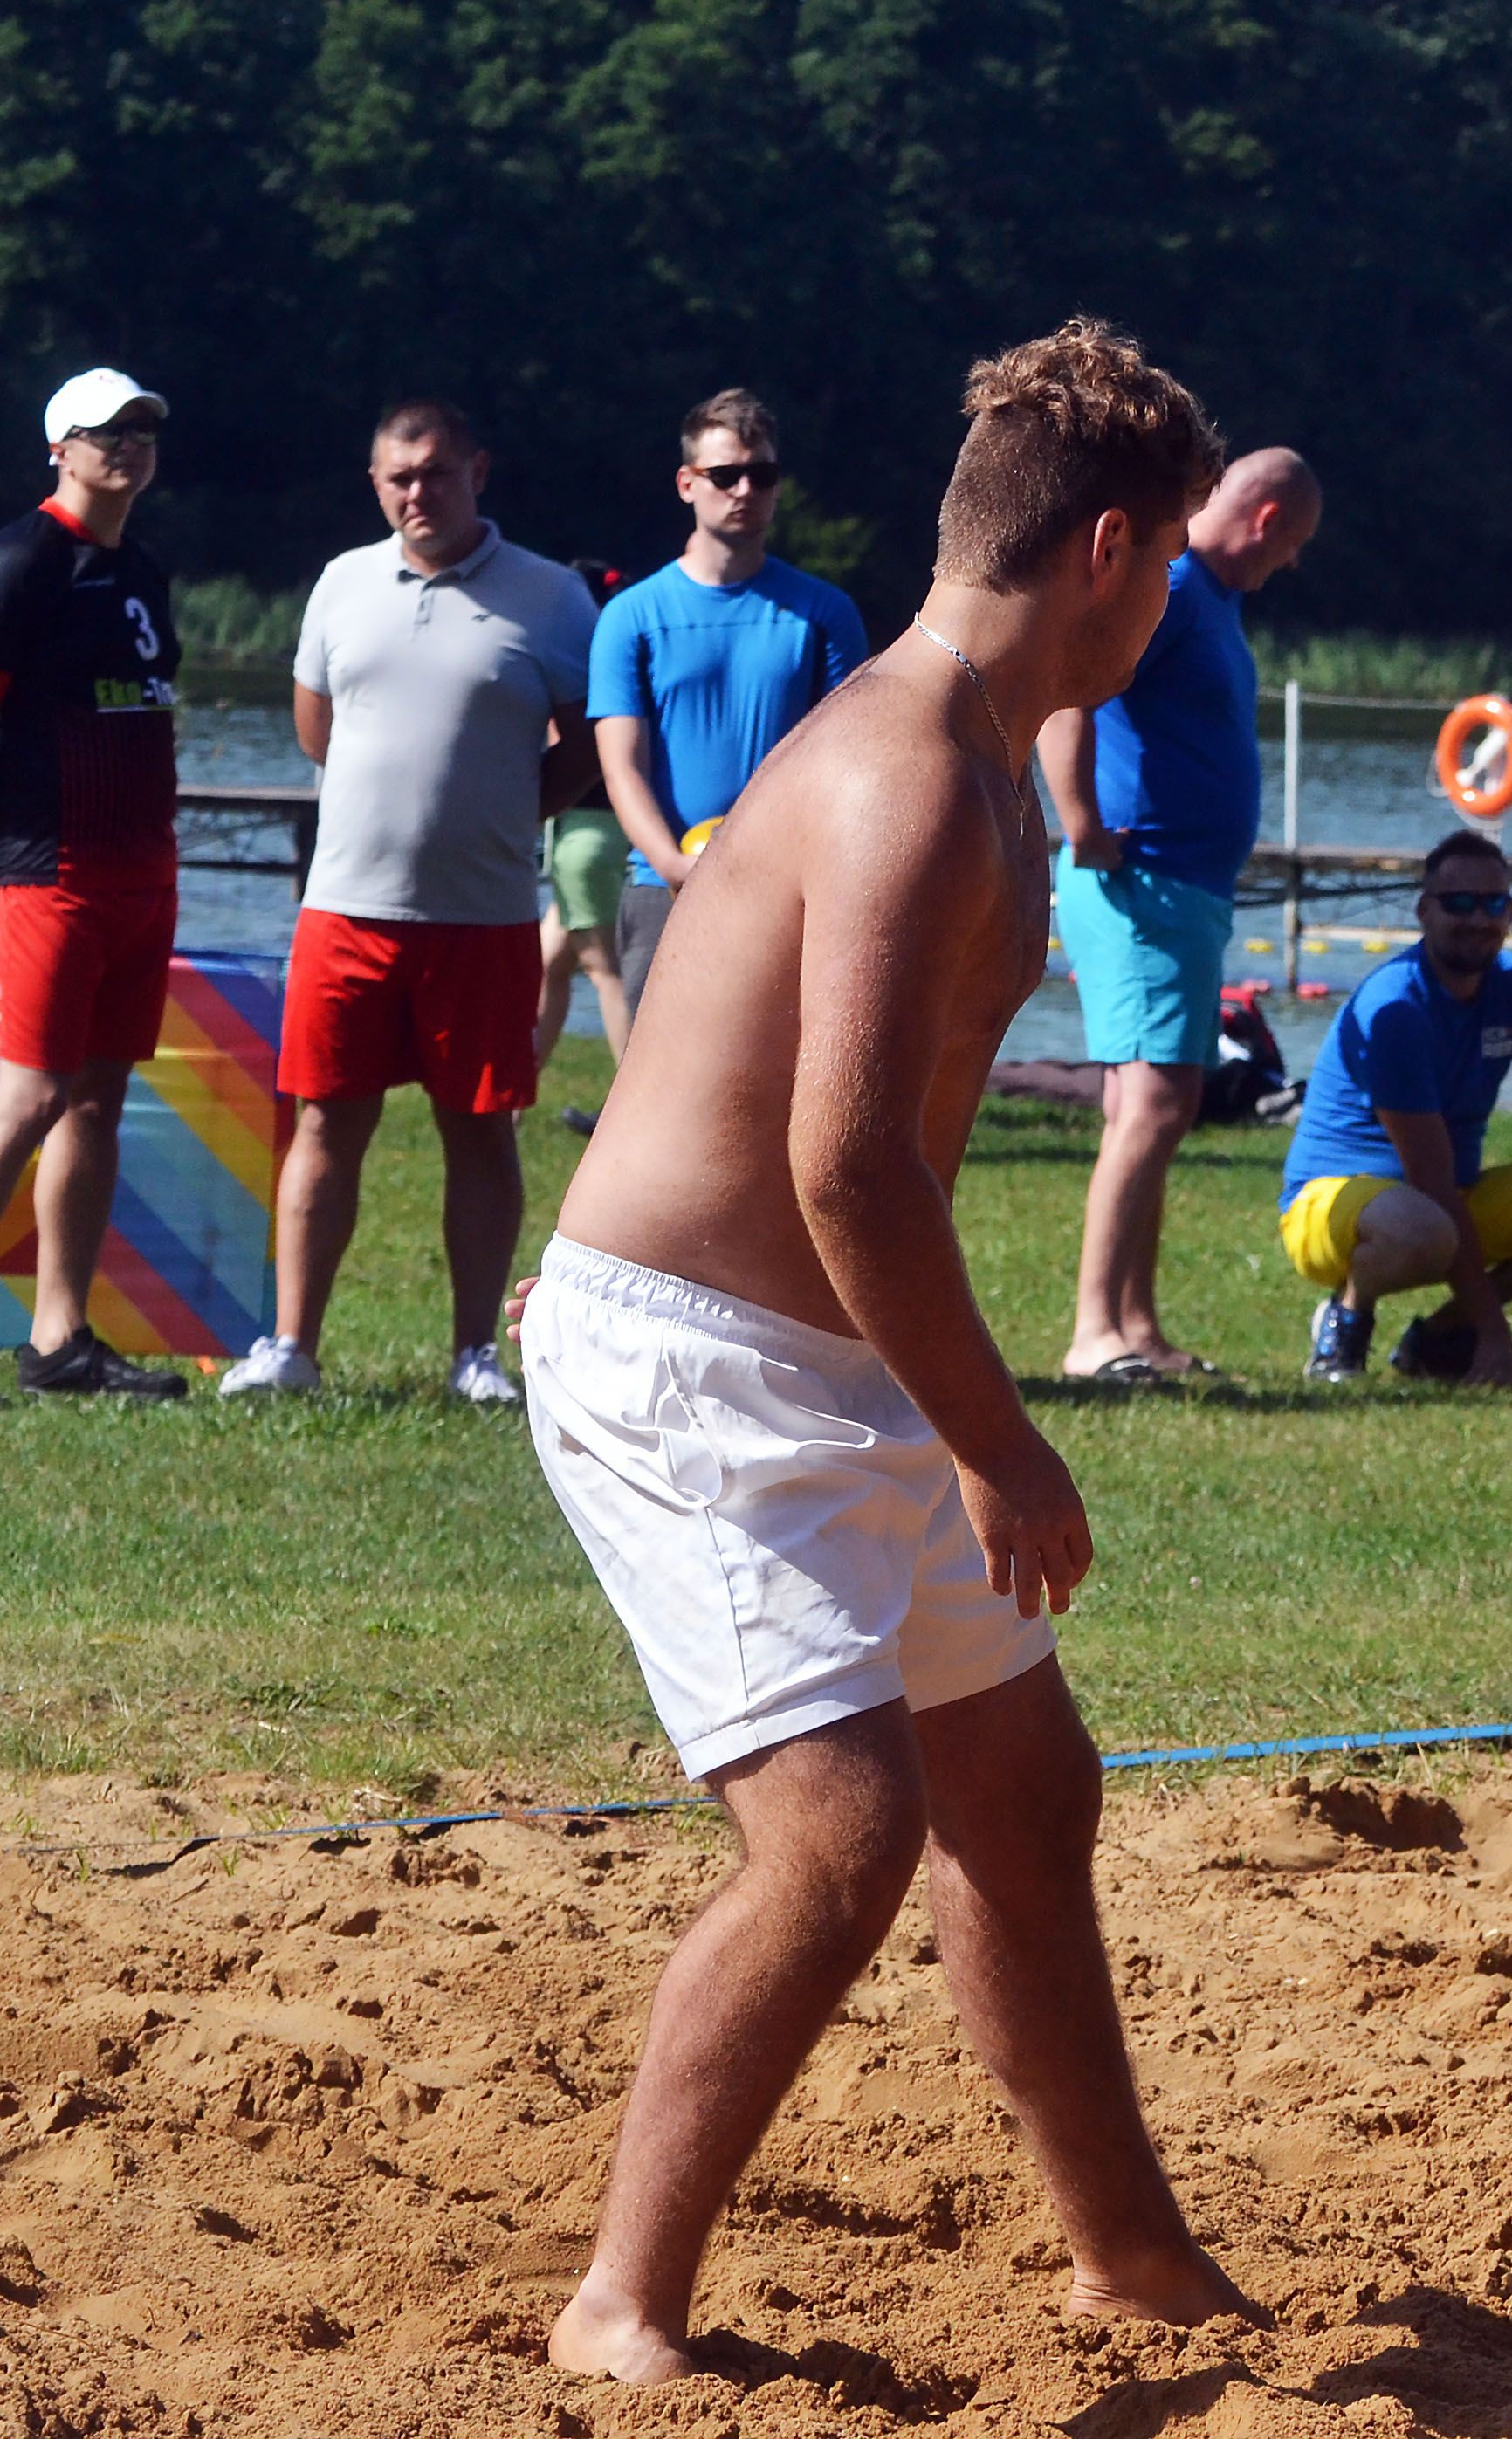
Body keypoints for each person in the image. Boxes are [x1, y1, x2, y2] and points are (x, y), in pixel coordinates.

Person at [518, 318, 1242, 2384]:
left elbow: (854, 1159)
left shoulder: (988, 759)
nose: (1179, 601)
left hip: (828, 1357)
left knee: (1023, 1785)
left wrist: (948, 1415)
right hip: (691, 1363)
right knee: (839, 1840)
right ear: (1106, 549)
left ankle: (1130, 2256)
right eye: (1176, 559)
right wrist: (1005, 1444)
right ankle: (618, 2306)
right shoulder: (907, 767)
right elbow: (844, 1166)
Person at [227, 401, 598, 1405]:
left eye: (435, 472)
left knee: (479, 1129)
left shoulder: (553, 596)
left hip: (484, 918)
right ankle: (291, 1348)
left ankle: (476, 1355)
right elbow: (317, 731)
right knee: (323, 1126)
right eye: (398, 477)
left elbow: (586, 743)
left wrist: (506, 812)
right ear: (375, 484)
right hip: (345, 910)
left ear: (478, 470)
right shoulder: (342, 583)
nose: (417, 493)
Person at [0, 368, 195, 1407]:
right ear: (60, 448)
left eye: (142, 429)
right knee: (30, 1097)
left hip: (140, 867)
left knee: (97, 1099)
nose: (129, 446)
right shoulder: (20, 562)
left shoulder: (141, 565)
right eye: (107, 432)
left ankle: (60, 1340)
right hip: (47, 866)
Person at [1038, 447, 1318, 1379]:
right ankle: (1094, 1336)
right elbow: (1068, 695)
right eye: (1295, 546)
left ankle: (1138, 1326)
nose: (1292, 566)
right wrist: (1082, 823)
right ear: (1269, 520)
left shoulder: (1211, 600)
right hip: (1143, 885)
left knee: (1153, 1102)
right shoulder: (1172, 588)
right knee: (1156, 1103)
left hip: (1181, 891)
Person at [1278, 829, 1512, 1384]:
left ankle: (1441, 1337)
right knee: (1425, 1228)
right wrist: (1497, 1336)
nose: (1478, 919)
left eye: (1493, 904)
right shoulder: (1394, 1008)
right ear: (1424, 911)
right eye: (1459, 903)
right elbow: (1431, 1181)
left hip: (1444, 1202)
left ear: (1511, 912)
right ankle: (1346, 1318)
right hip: (1330, 1206)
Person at [588, 390, 873, 1020]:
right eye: (725, 476)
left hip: (791, 890)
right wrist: (670, 864)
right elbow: (622, 767)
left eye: (762, 475)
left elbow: (850, 762)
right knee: (660, 1079)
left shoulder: (825, 613)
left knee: (787, 1076)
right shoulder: (630, 617)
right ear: (687, 484)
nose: (745, 490)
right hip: (661, 887)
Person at [539, 558, 636, 1096]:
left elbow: (560, 744)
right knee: (549, 966)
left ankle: (636, 1102)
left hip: (581, 836)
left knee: (605, 970)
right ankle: (511, 1102)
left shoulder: (575, 664)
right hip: (610, 831)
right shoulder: (622, 655)